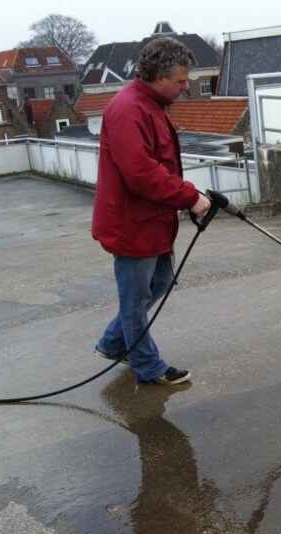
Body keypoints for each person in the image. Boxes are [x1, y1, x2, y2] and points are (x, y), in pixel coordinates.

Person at [91, 37, 210, 385]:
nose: (186, 88)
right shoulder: (129, 109)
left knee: (160, 282)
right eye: (181, 81)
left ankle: (112, 343)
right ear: (160, 76)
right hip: (132, 224)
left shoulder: (150, 104)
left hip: (151, 220)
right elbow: (141, 172)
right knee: (135, 299)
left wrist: (182, 197)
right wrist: (188, 196)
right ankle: (148, 367)